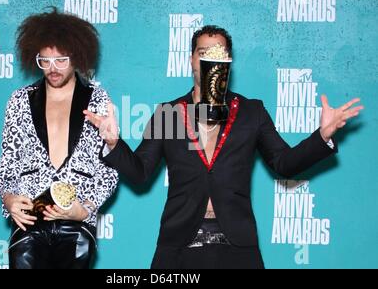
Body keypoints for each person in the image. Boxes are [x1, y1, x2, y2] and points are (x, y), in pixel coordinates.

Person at [84, 25, 363, 269]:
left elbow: (284, 163)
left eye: (218, 53)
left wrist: (322, 135)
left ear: (228, 62)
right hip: (180, 243)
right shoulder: (169, 113)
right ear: (191, 60)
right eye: (203, 53)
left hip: (237, 244)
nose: (209, 60)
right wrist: (113, 142)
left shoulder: (251, 111)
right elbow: (141, 171)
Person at [0, 8, 118, 269]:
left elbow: (110, 169)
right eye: (45, 61)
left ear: (77, 56)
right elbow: (8, 164)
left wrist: (86, 209)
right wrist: (9, 199)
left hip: (75, 223)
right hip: (30, 221)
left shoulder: (98, 100)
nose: (53, 69)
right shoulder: (20, 101)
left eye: (61, 60)